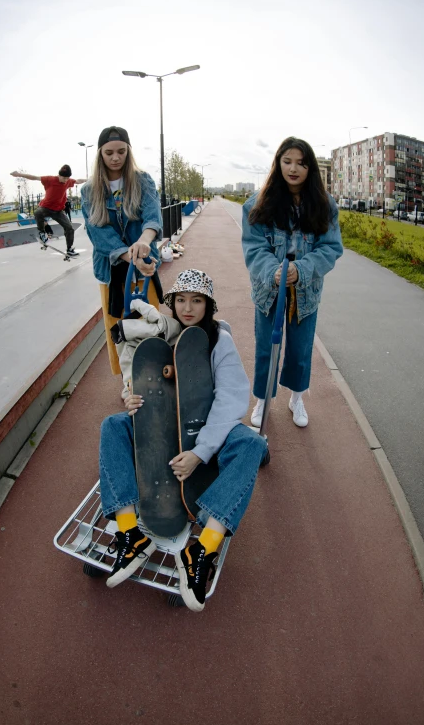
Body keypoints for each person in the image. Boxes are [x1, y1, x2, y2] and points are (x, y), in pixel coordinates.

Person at [98, 269, 269, 612]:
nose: (188, 307)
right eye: (180, 300)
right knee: (113, 426)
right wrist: (132, 399)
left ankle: (204, 546)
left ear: (208, 305)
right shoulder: (163, 337)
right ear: (172, 303)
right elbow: (145, 388)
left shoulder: (219, 339)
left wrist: (200, 451)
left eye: (196, 301)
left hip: (210, 431)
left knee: (252, 444)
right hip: (165, 429)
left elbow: (232, 398)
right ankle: (132, 532)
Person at [241, 137, 343, 430]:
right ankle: (262, 399)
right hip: (268, 290)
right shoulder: (257, 204)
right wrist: (273, 271)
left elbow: (331, 248)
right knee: (265, 347)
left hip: (305, 292)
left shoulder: (324, 205)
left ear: (310, 167)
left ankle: (297, 397)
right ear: (278, 164)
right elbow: (253, 247)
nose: (294, 168)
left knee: (300, 348)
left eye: (301, 162)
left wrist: (302, 268)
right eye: (287, 161)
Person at [80, 126, 163, 384]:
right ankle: (129, 381)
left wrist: (144, 242)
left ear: (128, 151)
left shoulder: (142, 180)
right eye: (109, 153)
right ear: (100, 154)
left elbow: (153, 216)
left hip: (143, 264)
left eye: (121, 151)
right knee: (117, 325)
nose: (115, 158)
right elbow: (98, 233)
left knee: (150, 321)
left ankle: (154, 375)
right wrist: (130, 255)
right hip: (112, 267)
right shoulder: (89, 190)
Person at [10, 165, 85, 257]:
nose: (65, 180)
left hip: (58, 211)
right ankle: (42, 233)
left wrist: (88, 180)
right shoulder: (49, 179)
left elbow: (78, 181)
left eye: (67, 178)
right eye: (64, 178)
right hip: (46, 208)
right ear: (59, 175)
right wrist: (19, 174)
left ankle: (69, 249)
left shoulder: (68, 181)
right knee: (38, 213)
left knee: (69, 228)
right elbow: (34, 177)